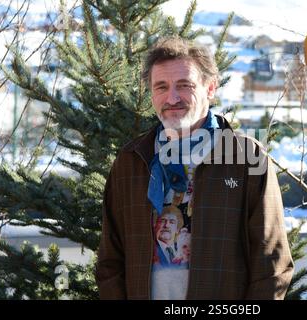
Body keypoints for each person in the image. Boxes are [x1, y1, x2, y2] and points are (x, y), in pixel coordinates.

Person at [96, 36, 294, 300]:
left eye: (184, 85)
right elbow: (110, 260)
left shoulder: (246, 158)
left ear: (210, 88)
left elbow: (272, 263)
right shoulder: (132, 160)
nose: (172, 97)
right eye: (161, 87)